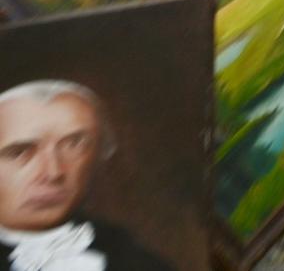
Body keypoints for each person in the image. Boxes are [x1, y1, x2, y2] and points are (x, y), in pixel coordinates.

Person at [0, 80, 172, 271]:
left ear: (99, 155)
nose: (54, 172)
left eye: (74, 145)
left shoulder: (136, 260)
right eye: (20, 152)